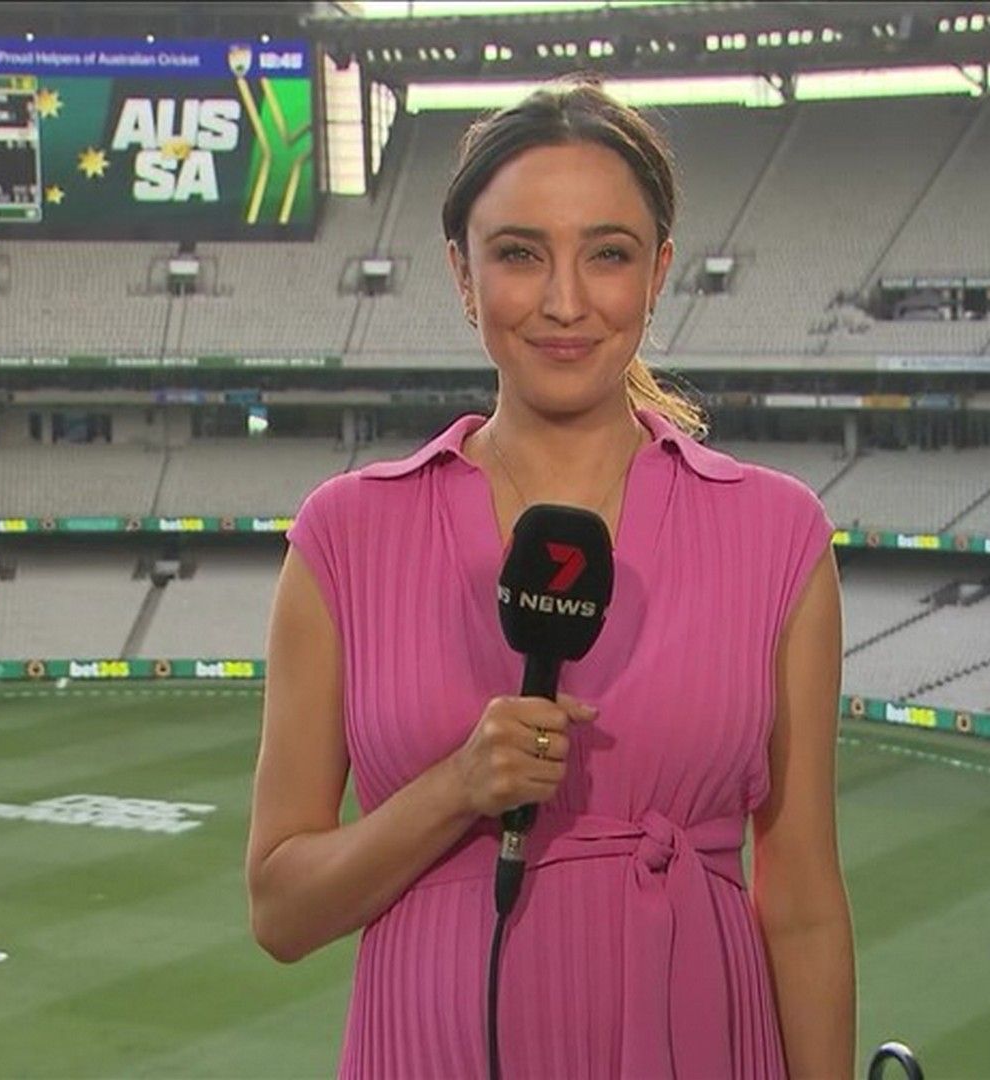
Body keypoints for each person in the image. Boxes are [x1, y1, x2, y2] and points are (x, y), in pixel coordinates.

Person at [245, 76, 855, 1078]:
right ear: (463, 273)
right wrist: (456, 789)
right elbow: (280, 911)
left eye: (607, 254)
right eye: (520, 254)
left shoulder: (778, 534)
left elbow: (803, 907)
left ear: (658, 273)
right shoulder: (344, 535)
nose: (565, 301)